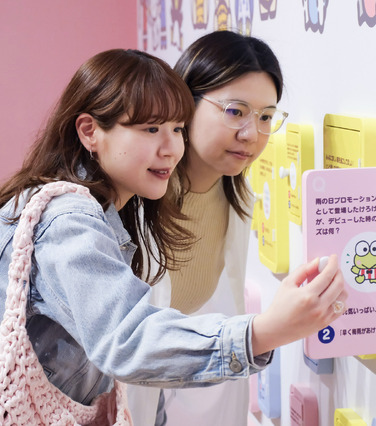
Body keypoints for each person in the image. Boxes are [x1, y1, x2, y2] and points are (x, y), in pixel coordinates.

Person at [0, 48, 347, 425]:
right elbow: (127, 340)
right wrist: (265, 331)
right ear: (89, 131)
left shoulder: (128, 210)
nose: (171, 148)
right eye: (151, 129)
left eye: (177, 129)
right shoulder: (67, 219)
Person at [126, 30, 307, 425]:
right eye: (235, 111)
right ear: (187, 103)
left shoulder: (237, 199)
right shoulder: (134, 198)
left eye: (265, 117)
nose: (251, 134)